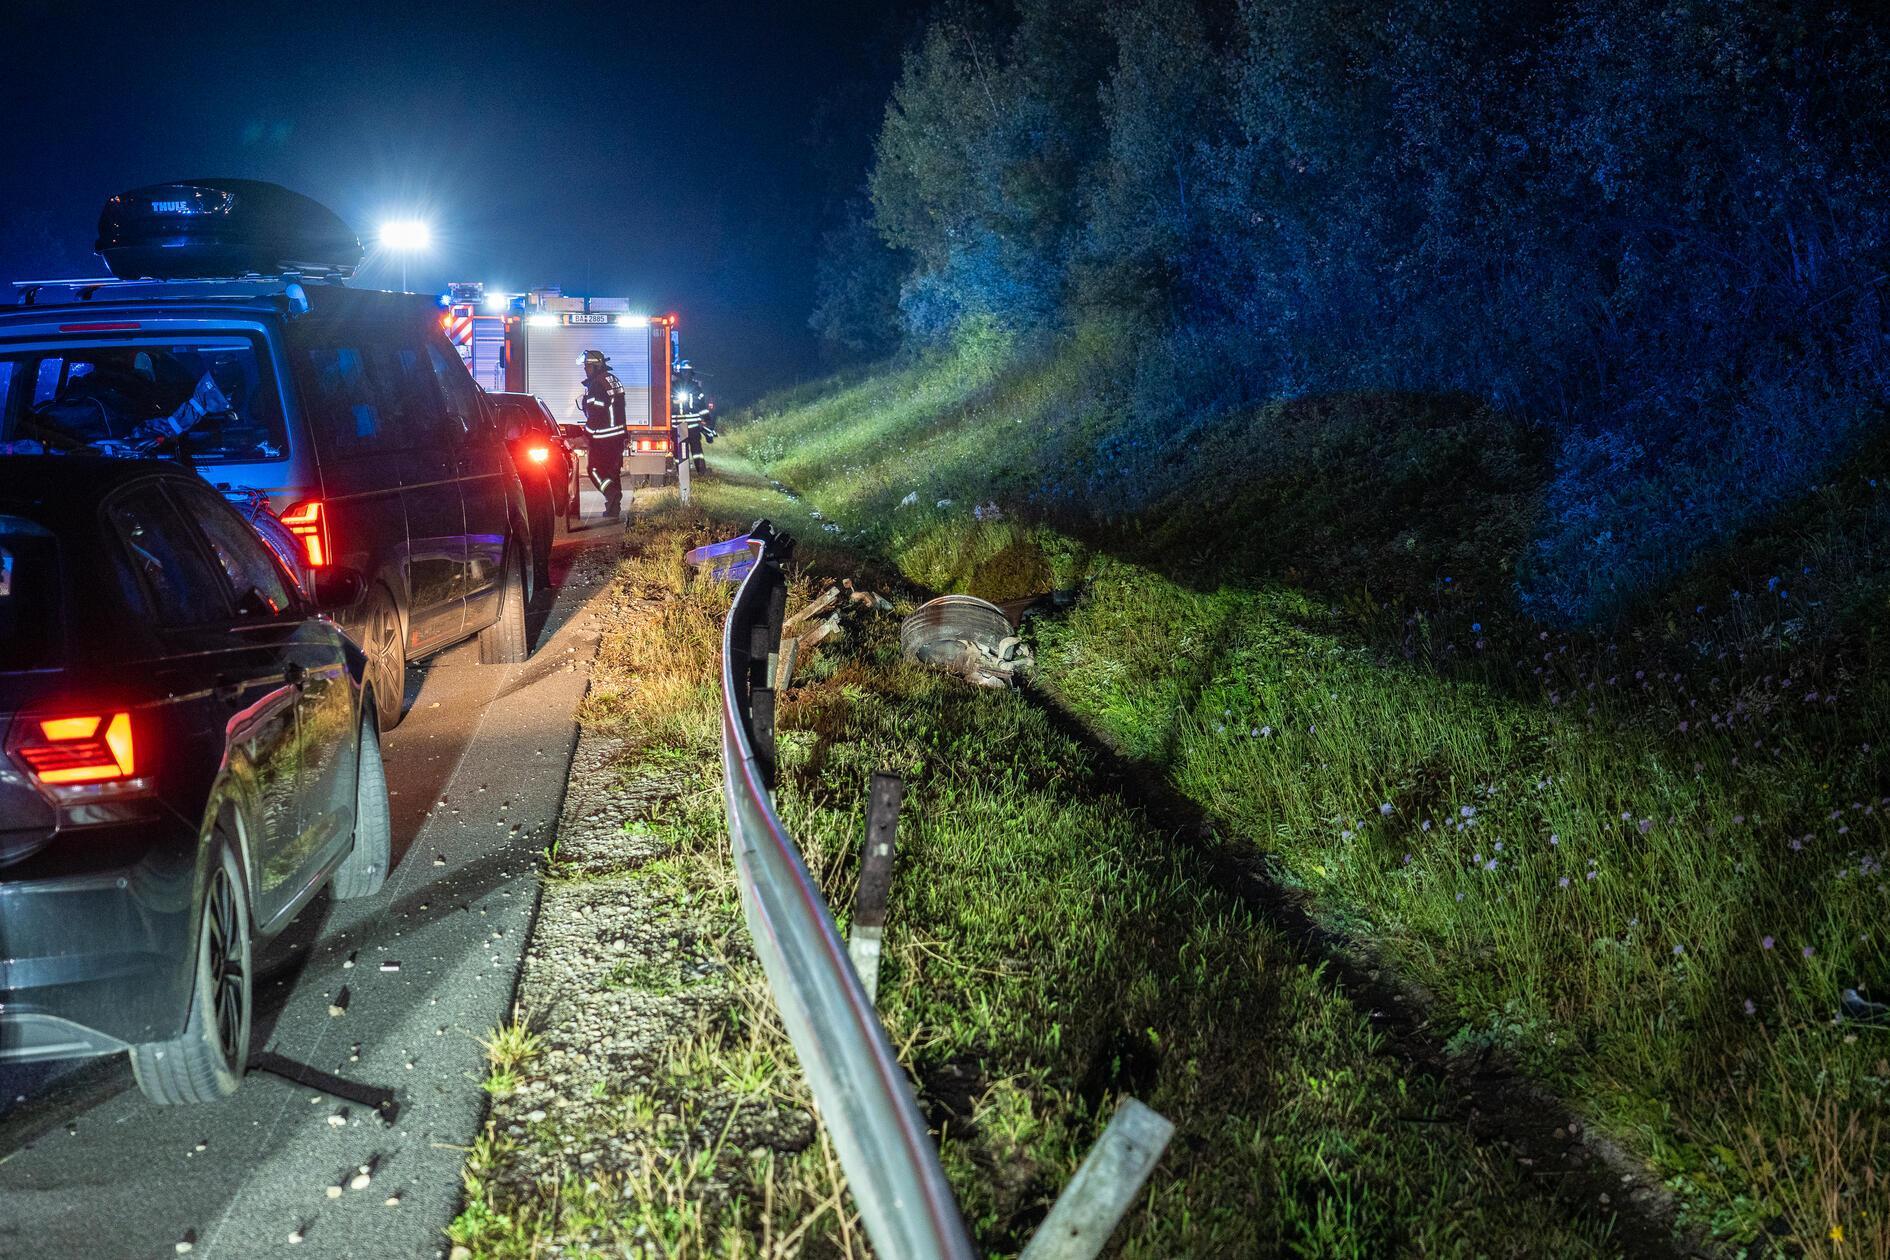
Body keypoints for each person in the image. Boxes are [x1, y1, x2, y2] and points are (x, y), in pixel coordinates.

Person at [576, 349, 627, 519]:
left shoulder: (597, 385)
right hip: (618, 436)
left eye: (588, 366)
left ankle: (611, 493)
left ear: (596, 366)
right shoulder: (613, 380)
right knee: (613, 471)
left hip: (603, 437)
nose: (585, 369)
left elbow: (596, 414)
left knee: (594, 469)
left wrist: (586, 435)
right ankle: (613, 508)